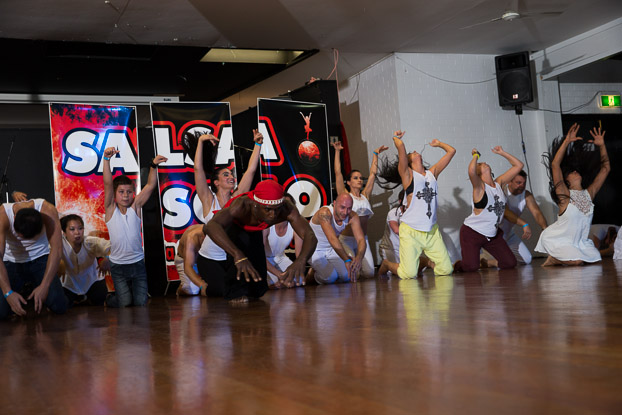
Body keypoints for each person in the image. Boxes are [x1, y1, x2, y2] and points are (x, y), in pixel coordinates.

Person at [204, 179, 317, 302]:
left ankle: (253, 290)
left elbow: (310, 236)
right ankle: (235, 293)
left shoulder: (286, 208)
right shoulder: (241, 206)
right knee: (240, 255)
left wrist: (301, 260)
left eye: (277, 209)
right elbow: (210, 226)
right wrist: (237, 254)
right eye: (268, 209)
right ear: (255, 204)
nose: (273, 215)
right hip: (230, 229)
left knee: (259, 287)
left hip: (255, 229)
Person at [377, 130, 455, 278]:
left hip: (431, 231)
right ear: (409, 161)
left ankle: (422, 262)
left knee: (446, 269)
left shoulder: (432, 173)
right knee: (408, 274)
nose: (414, 151)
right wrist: (396, 138)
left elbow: (451, 151)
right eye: (411, 153)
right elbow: (401, 149)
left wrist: (439, 144)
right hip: (411, 231)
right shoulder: (408, 175)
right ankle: (387, 264)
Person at [194, 130, 263, 293]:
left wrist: (258, 144)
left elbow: (250, 171)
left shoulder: (237, 198)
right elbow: (198, 169)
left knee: (247, 289)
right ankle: (202, 289)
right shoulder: (208, 200)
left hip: (233, 257)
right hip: (210, 259)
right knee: (222, 291)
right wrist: (201, 141)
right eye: (226, 175)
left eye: (232, 174)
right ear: (216, 182)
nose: (231, 176)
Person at [535, 123, 610, 266]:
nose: (575, 171)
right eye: (571, 172)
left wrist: (602, 146)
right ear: (566, 181)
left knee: (595, 258)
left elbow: (605, 169)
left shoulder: (589, 193)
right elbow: (555, 165)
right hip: (559, 240)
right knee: (577, 261)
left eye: (575, 171)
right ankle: (554, 258)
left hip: (581, 242)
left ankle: (567, 257)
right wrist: (566, 141)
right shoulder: (564, 195)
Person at [103, 147, 167, 307]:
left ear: (133, 193)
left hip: (137, 263)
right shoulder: (110, 210)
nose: (126, 195)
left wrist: (153, 165)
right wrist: (106, 159)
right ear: (115, 194)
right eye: (121, 192)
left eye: (129, 192)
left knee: (140, 303)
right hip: (118, 266)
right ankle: (110, 299)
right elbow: (108, 183)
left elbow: (150, 185)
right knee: (124, 303)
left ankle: (129, 293)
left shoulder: (136, 207)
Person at [454, 146, 524, 272]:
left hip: (492, 235)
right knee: (471, 267)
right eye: (481, 164)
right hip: (472, 233)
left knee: (509, 263)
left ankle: (486, 262)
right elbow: (471, 172)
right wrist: (476, 156)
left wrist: (502, 152)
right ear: (478, 172)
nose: (484, 163)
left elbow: (519, 165)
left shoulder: (499, 183)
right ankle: (458, 265)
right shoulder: (479, 188)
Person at [0, 198, 68, 319]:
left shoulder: (48, 211)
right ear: (14, 218)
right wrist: (8, 293)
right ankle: (24, 294)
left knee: (59, 307)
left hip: (40, 258)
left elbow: (57, 250)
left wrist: (45, 286)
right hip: (12, 261)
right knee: (1, 312)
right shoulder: (3, 215)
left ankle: (37, 290)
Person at [332, 140, 388, 278]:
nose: (359, 180)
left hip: (362, 240)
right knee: (353, 274)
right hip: (347, 240)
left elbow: (373, 174)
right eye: (355, 178)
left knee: (369, 273)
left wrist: (375, 154)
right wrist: (337, 151)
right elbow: (338, 173)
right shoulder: (345, 195)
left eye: (360, 178)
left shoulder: (365, 196)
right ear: (349, 182)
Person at [482, 170, 548, 266]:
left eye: (524, 183)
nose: (522, 185)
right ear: (509, 182)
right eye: (518, 182)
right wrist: (524, 224)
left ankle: (493, 261)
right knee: (501, 262)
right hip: (493, 235)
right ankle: (485, 260)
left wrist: (545, 229)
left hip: (509, 234)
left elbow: (537, 213)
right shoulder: (501, 192)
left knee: (527, 259)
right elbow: (506, 213)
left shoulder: (526, 195)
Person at [308, 193, 366, 284]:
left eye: (349, 208)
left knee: (347, 276)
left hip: (331, 249)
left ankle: (325, 272)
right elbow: (332, 239)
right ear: (334, 203)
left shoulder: (352, 216)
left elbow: (361, 239)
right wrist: (346, 259)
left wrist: (359, 257)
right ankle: (312, 274)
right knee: (330, 277)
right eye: (342, 207)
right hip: (314, 249)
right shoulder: (325, 213)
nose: (345, 212)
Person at [58, 214, 110, 306]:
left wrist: (107, 259)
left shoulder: (89, 242)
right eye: (72, 229)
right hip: (69, 284)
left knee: (100, 299)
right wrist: (58, 262)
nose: (77, 232)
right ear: (64, 232)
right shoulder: (59, 244)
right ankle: (78, 299)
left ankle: (85, 298)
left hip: (92, 281)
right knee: (60, 305)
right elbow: (48, 254)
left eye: (80, 228)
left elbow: (113, 247)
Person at [264, 194, 304, 288]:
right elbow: (259, 256)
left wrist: (299, 272)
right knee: (273, 283)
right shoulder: (267, 225)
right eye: (281, 206)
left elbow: (299, 256)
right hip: (263, 260)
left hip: (280, 257)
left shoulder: (295, 226)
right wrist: (280, 275)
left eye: (288, 206)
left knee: (299, 280)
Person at [175, 224, 207, 296]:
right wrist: (202, 285)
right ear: (203, 237)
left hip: (203, 260)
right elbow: (188, 267)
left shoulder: (216, 233)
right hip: (185, 261)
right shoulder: (191, 237)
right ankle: (182, 288)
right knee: (192, 291)